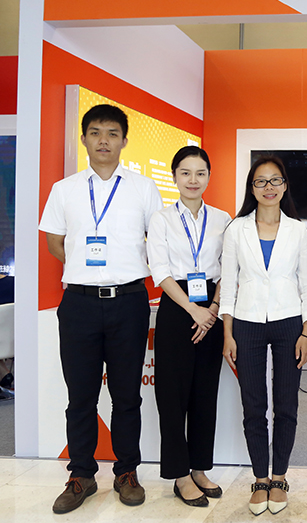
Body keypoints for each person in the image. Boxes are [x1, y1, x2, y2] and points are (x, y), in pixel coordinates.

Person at [39, 104, 163, 514]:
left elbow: (158, 240)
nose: (104, 140)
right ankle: (81, 475)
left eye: (112, 133)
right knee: (81, 397)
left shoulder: (143, 188)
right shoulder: (65, 189)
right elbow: (55, 242)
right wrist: (86, 270)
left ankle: (126, 472)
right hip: (79, 303)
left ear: (124, 140)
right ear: (84, 139)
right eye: (95, 132)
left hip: (129, 301)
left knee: (127, 396)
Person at [220, 155, 307, 516]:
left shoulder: (298, 230)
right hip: (246, 323)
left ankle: (280, 477)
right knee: (253, 405)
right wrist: (227, 334)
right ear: (252, 188)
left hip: (289, 322)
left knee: (286, 404)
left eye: (275, 180)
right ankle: (260, 478)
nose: (269, 187)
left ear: (285, 185)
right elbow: (228, 284)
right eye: (261, 181)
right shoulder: (236, 229)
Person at [147, 146, 231, 507]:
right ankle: (180, 474)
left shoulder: (223, 218)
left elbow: (230, 267)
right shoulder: (162, 219)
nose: (193, 180)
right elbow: (160, 270)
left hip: (212, 304)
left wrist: (212, 309)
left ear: (209, 176)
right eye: (185, 173)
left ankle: (199, 468)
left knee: (204, 394)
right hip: (177, 305)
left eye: (200, 173)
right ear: (174, 177)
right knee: (173, 395)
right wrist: (193, 310)